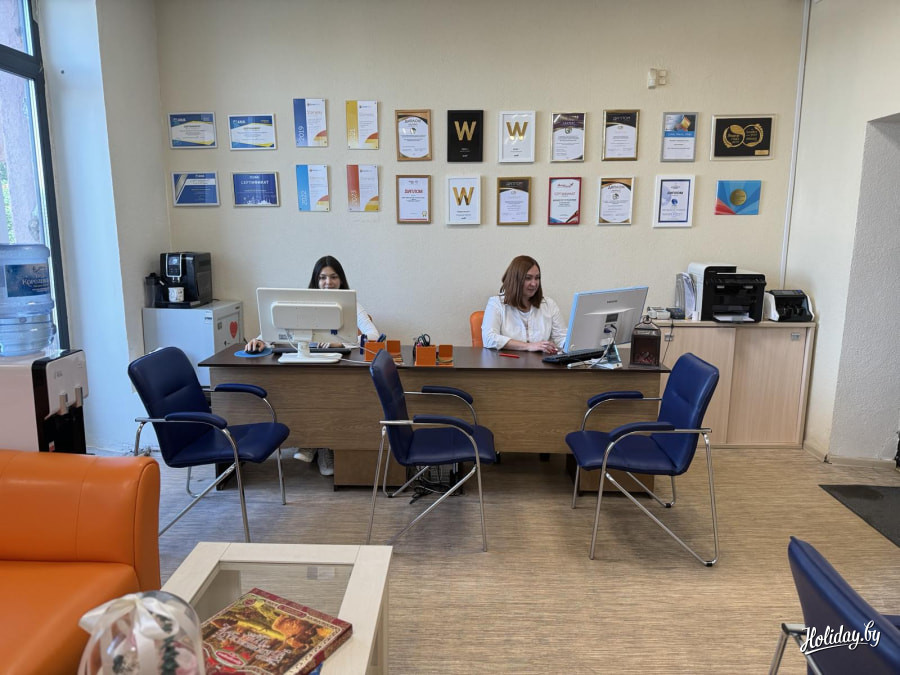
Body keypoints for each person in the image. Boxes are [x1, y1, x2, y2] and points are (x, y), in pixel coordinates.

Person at [244, 255, 379, 475]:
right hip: (305, 365)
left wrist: (342, 342)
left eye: (333, 277)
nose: (328, 282)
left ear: (341, 280)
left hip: (336, 369)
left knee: (328, 395)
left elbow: (373, 335)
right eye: (323, 277)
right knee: (300, 394)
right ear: (316, 280)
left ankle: (322, 447)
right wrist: (260, 340)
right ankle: (310, 442)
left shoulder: (353, 305)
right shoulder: (302, 304)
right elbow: (275, 330)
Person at [481, 255, 567, 353]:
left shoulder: (549, 304)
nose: (534, 284)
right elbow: (489, 338)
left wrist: (572, 344)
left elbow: (561, 338)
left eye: (537, 278)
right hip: (507, 361)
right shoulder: (496, 303)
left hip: (540, 362)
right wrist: (529, 346)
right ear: (515, 280)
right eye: (528, 278)